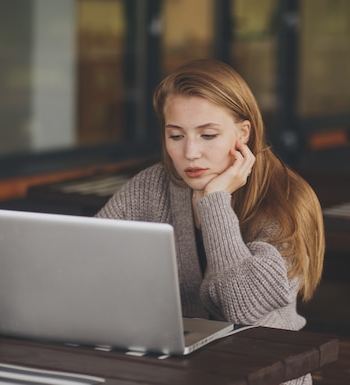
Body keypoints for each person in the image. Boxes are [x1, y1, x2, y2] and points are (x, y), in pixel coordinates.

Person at [96, 59, 324, 385]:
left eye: (207, 135)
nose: (190, 152)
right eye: (176, 135)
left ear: (243, 133)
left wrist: (216, 204)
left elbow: (243, 308)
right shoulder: (153, 186)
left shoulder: (286, 202)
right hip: (176, 370)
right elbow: (90, 260)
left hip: (262, 374)